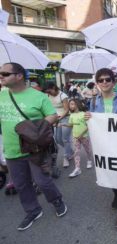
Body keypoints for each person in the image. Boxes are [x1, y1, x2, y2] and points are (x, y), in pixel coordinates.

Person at [0, 63, 67, 231]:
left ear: (19, 76)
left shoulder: (38, 96)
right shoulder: (1, 95)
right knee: (21, 184)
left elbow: (53, 115)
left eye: (5, 73)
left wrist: (36, 129)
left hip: (34, 148)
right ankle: (33, 210)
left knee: (42, 181)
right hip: (12, 149)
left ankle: (56, 200)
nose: (1, 76)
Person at [85, 68, 117, 229]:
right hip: (103, 147)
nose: (104, 82)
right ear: (97, 83)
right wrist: (88, 117)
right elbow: (91, 122)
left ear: (114, 82)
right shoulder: (93, 101)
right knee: (110, 174)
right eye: (101, 80)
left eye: (107, 79)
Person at [61, 99, 93, 178]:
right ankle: (77, 168)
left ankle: (89, 160)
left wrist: (81, 134)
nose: (70, 106)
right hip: (76, 137)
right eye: (70, 104)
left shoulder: (84, 114)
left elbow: (88, 126)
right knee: (76, 152)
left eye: (72, 104)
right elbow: (71, 125)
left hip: (84, 137)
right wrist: (62, 124)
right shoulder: (71, 115)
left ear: (77, 104)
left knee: (88, 150)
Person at [44, 83, 74, 168]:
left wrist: (59, 118)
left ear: (54, 87)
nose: (49, 93)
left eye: (50, 91)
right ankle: (70, 151)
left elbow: (67, 110)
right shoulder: (48, 96)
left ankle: (66, 157)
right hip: (55, 119)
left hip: (65, 118)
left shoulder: (63, 95)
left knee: (65, 139)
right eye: (47, 92)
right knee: (57, 139)